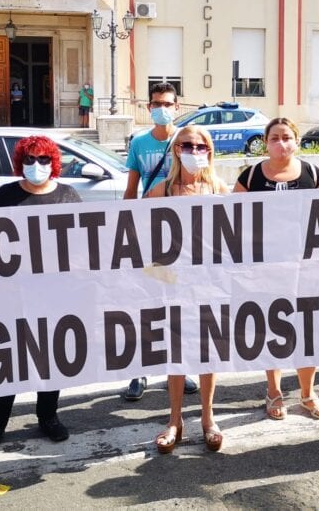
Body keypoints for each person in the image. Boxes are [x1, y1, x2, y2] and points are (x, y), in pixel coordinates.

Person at [0, 135, 82, 455]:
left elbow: (80, 243)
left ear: (54, 162)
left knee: (50, 357)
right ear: (20, 162)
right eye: (30, 159)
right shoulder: (6, 195)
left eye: (43, 160)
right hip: (12, 293)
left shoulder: (67, 195)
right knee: (8, 360)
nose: (36, 166)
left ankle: (47, 416)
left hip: (55, 294)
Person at [234, 118, 319, 421]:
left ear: (296, 141)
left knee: (307, 330)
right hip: (266, 269)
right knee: (273, 328)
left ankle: (307, 393)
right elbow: (233, 220)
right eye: (274, 137)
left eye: (287, 137)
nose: (281, 143)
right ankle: (273, 392)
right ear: (265, 142)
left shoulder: (314, 175)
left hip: (306, 268)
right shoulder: (250, 176)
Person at [149, 125, 230, 453]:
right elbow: (140, 238)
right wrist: (162, 281)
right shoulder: (161, 191)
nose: (194, 151)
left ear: (209, 151)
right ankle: (175, 420)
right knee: (177, 354)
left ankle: (208, 418)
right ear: (176, 150)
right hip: (175, 286)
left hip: (211, 284)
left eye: (200, 146)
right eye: (187, 145)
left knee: (208, 351)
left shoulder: (219, 188)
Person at [121, 82, 198, 401]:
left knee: (180, 303)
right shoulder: (139, 143)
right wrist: (124, 229)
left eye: (166, 103)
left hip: (184, 238)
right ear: (148, 106)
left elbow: (203, 182)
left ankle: (181, 369)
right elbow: (132, 189)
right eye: (155, 103)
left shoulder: (188, 140)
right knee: (148, 302)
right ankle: (139, 370)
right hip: (150, 236)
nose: (160, 108)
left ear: (177, 107)